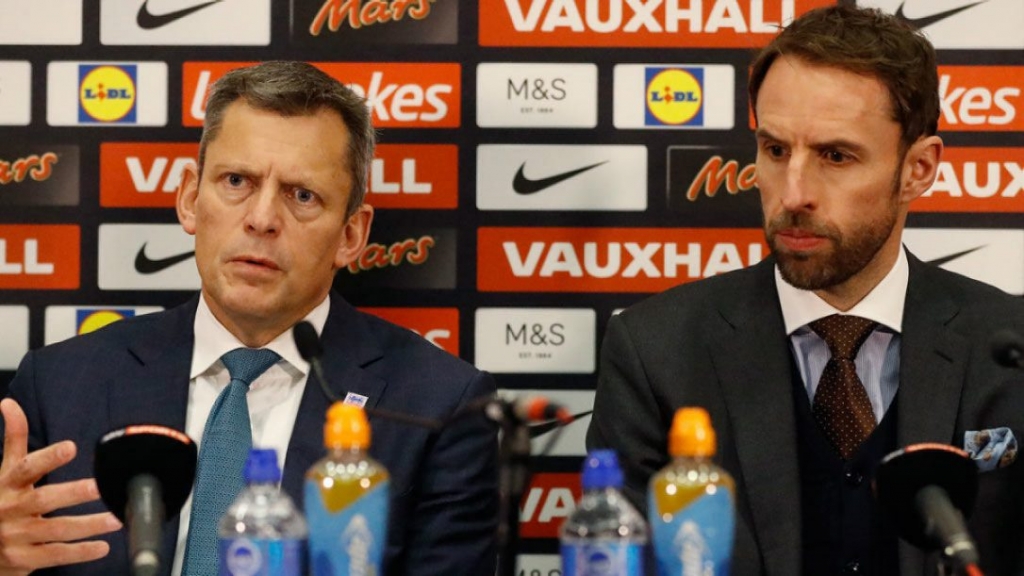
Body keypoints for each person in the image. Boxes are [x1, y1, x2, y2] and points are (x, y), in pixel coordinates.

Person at [0, 61, 498, 576]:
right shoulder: (58, 386)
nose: (261, 219)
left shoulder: (438, 407)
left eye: (302, 195)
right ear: (191, 199)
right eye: (237, 181)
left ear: (351, 235)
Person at [587, 6, 1024, 576]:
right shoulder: (657, 351)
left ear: (917, 169)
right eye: (774, 150)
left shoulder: (1007, 349)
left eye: (835, 156)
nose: (793, 193)